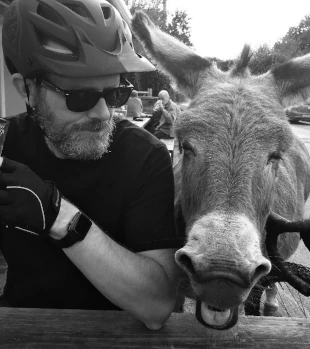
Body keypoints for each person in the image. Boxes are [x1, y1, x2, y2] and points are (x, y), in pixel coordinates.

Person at [0, 0, 184, 330]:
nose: (102, 113)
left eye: (115, 94)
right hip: (21, 323)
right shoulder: (5, 145)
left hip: (116, 332)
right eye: (80, 97)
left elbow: (157, 305)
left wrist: (59, 215)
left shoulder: (145, 157)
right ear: (26, 90)